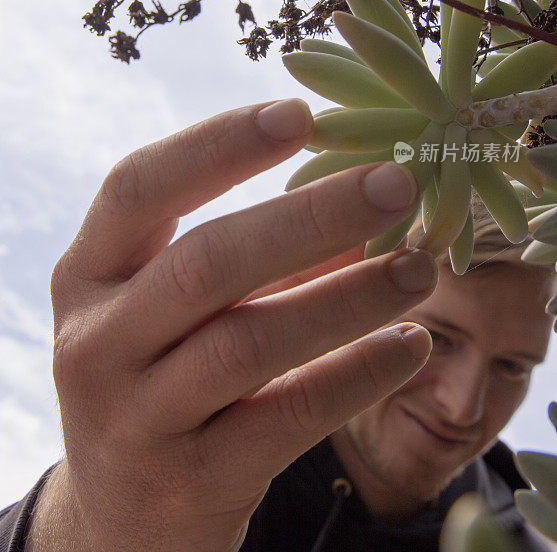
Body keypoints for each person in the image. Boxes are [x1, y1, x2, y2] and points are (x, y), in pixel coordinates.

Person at [0, 100, 554, 552]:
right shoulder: (197, 462)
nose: (464, 408)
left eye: (512, 366)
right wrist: (95, 528)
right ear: (349, 293)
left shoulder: (526, 531)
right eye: (435, 340)